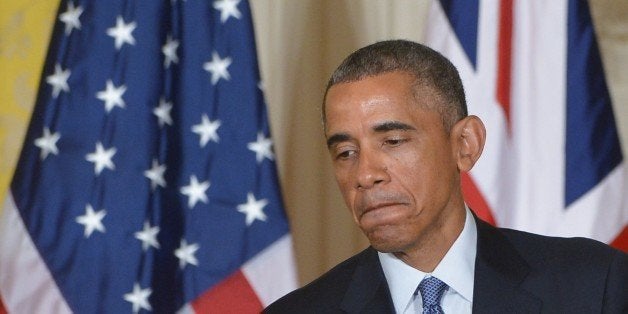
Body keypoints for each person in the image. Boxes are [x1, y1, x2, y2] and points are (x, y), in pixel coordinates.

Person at [264, 40, 627, 313]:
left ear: (465, 145)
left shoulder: (594, 286)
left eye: (392, 141)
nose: (365, 174)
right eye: (346, 153)